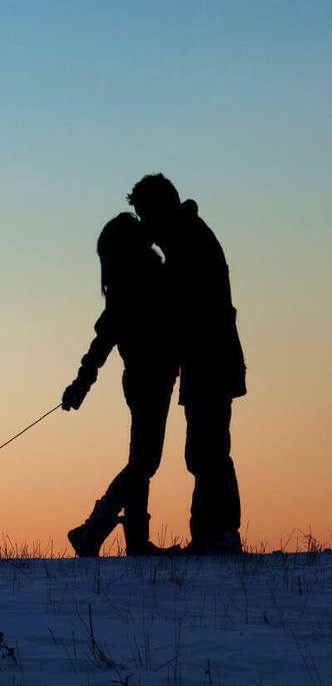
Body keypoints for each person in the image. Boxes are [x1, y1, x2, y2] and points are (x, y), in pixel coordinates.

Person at [128, 174, 246, 555]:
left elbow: (182, 310)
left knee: (208, 449)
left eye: (145, 214)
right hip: (205, 361)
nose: (144, 224)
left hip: (210, 360)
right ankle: (209, 535)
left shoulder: (187, 242)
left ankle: (220, 534)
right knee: (203, 449)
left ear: (159, 209)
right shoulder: (185, 237)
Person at [62, 213, 179, 556]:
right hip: (147, 380)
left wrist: (81, 384)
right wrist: (81, 384)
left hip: (152, 378)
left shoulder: (141, 278)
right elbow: (103, 340)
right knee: (144, 463)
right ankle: (93, 529)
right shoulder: (138, 282)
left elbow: (102, 342)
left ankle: (133, 541)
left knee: (142, 461)